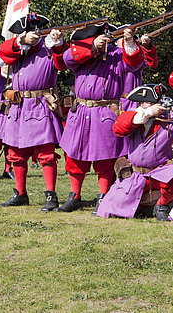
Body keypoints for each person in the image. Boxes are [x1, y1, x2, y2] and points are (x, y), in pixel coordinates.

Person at [57, 23, 146, 214]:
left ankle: (103, 195)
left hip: (105, 111)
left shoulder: (116, 54)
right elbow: (66, 58)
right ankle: (75, 195)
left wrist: (129, 41)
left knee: (104, 159)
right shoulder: (82, 52)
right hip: (80, 110)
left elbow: (135, 63)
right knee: (74, 157)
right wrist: (92, 46)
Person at [0, 13, 67, 211]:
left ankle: (51, 197)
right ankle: (20, 194)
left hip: (41, 104)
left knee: (45, 154)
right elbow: (1, 51)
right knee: (16, 154)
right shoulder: (19, 49)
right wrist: (22, 40)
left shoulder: (50, 48)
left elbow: (64, 61)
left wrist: (58, 42)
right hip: (18, 106)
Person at [97, 84, 173, 221]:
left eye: (154, 103)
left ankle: (161, 205)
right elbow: (118, 128)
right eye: (148, 103)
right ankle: (148, 208)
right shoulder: (134, 115)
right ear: (141, 103)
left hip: (161, 172)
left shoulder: (170, 117)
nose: (151, 105)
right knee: (112, 206)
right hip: (136, 175)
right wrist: (148, 113)